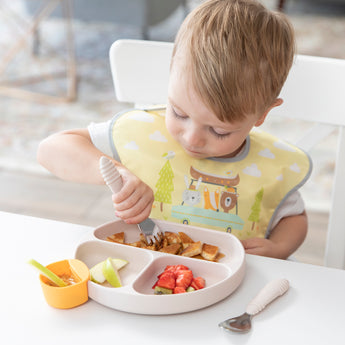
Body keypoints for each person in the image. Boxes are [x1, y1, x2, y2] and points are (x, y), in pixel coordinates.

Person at [37, 0, 312, 260]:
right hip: (146, 280)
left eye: (219, 131)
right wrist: (116, 173)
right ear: (170, 75)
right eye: (179, 113)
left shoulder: (272, 166)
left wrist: (279, 247)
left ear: (263, 113)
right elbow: (51, 149)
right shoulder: (142, 135)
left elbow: (293, 217)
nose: (192, 138)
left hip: (235, 289)